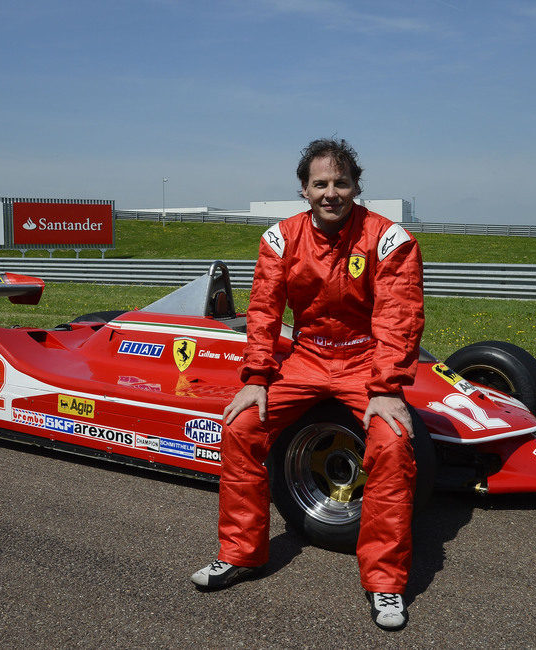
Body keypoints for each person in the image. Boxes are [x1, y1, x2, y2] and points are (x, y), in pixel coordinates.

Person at [190, 138, 425, 631]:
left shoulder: (390, 238)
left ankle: (385, 584)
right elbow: (263, 311)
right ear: (304, 189)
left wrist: (386, 388)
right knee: (239, 427)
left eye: (341, 182)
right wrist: (256, 377)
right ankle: (241, 554)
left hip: (366, 362)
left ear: (357, 187)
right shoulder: (280, 238)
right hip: (306, 359)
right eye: (321, 183)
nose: (331, 192)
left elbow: (398, 317)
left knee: (394, 443)